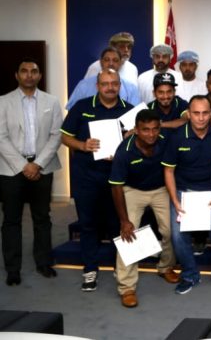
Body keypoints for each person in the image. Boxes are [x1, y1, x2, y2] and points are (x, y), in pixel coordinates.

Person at [61, 69, 133, 291]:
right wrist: (83, 145)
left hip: (116, 178)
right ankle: (90, 269)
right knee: (88, 224)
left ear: (120, 85)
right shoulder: (82, 107)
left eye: (114, 83)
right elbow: (65, 136)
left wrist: (128, 141)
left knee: (117, 224)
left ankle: (119, 267)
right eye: (105, 84)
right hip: (87, 176)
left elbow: (140, 141)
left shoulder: (129, 111)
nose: (110, 87)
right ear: (97, 86)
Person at [108, 109, 179, 308]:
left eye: (155, 129)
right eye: (145, 130)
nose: (151, 134)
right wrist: (124, 221)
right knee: (128, 234)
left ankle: (165, 267)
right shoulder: (125, 150)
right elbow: (116, 187)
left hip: (160, 189)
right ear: (136, 130)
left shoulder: (165, 140)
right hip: (133, 190)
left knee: (170, 230)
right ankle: (127, 287)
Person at [0, 59, 62, 286]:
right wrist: (23, 165)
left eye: (33, 71)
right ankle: (12, 269)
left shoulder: (52, 101)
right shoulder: (3, 102)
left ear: (39, 75)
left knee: (42, 217)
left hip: (42, 167)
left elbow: (57, 135)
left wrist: (37, 164)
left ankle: (43, 263)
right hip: (11, 168)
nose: (29, 75)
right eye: (24, 71)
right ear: (16, 75)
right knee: (11, 219)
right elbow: (1, 137)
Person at [163, 95, 211, 295]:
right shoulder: (177, 137)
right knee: (177, 236)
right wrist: (175, 200)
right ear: (189, 114)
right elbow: (168, 171)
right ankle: (190, 275)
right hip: (183, 192)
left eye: (205, 113)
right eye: (196, 113)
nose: (201, 118)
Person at [67, 47, 141, 110]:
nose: (111, 63)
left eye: (115, 60)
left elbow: (136, 114)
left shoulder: (131, 88)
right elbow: (73, 111)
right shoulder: (83, 85)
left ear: (120, 63)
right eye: (107, 60)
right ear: (101, 62)